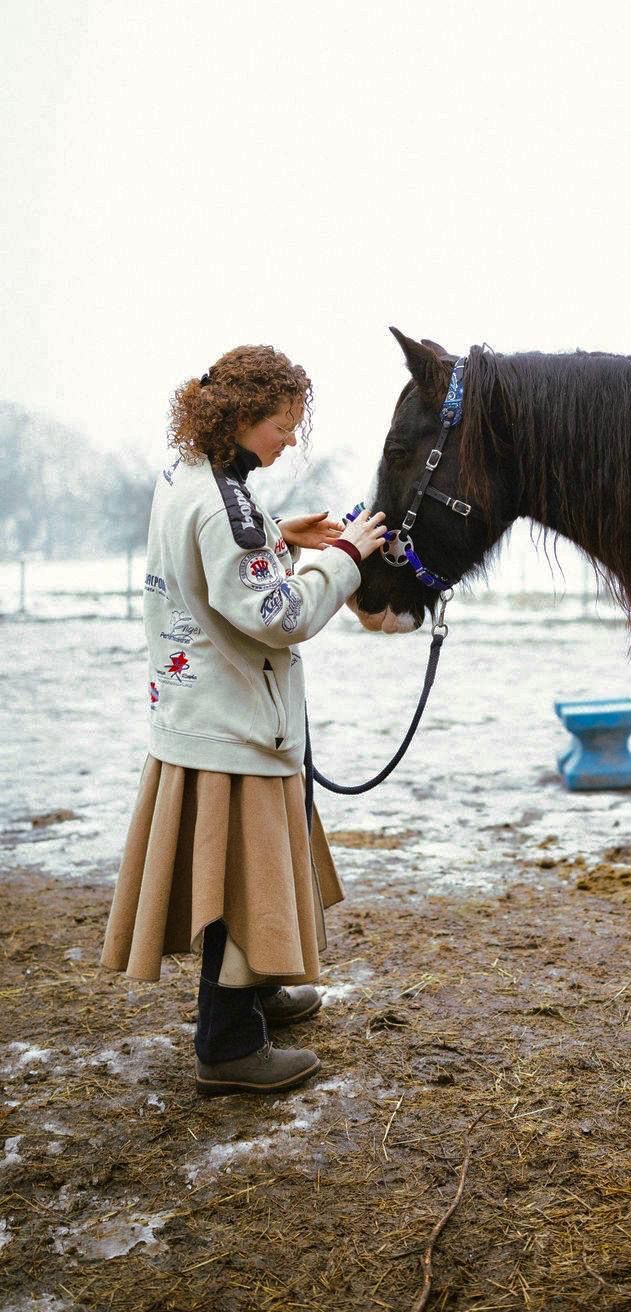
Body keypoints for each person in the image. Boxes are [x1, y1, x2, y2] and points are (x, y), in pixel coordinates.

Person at [101, 344, 386, 1096]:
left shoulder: (187, 474)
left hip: (199, 712)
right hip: (236, 728)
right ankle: (227, 1046)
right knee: (238, 884)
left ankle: (254, 991)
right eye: (281, 426)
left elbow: (211, 556)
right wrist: (344, 558)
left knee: (236, 874)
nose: (289, 441)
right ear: (241, 417)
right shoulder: (226, 506)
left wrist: (277, 534)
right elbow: (279, 615)